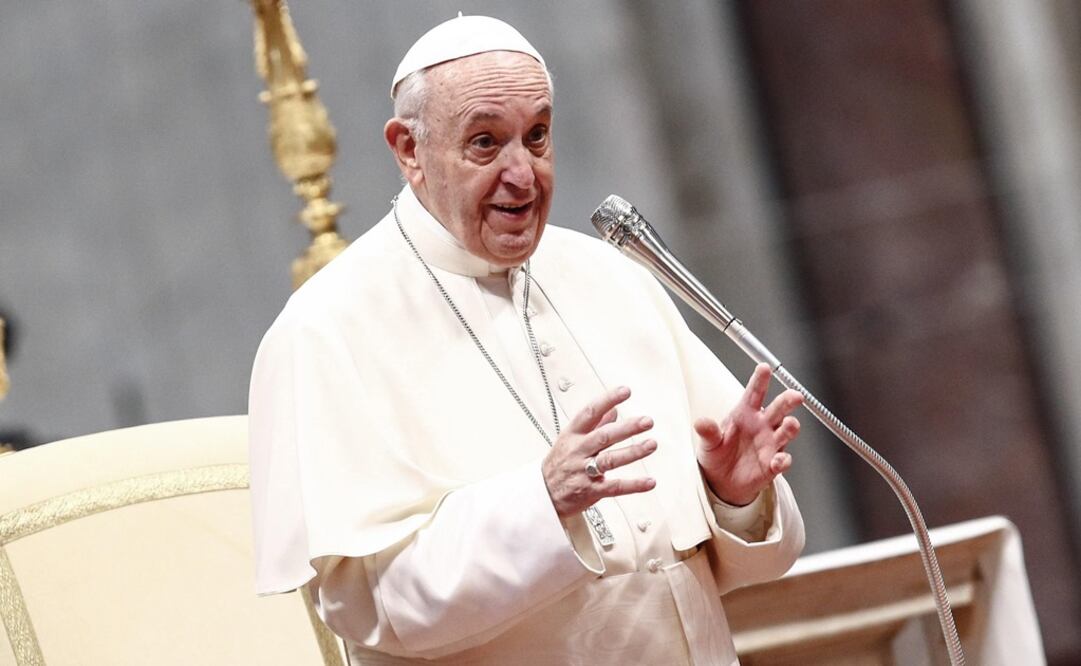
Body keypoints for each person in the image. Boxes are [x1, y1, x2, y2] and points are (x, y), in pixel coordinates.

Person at [249, 15, 805, 665]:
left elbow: (719, 560)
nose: (522, 174)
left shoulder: (612, 276)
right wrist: (540, 507)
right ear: (408, 150)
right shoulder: (326, 328)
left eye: (536, 136)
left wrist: (731, 497)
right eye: (485, 143)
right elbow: (368, 605)